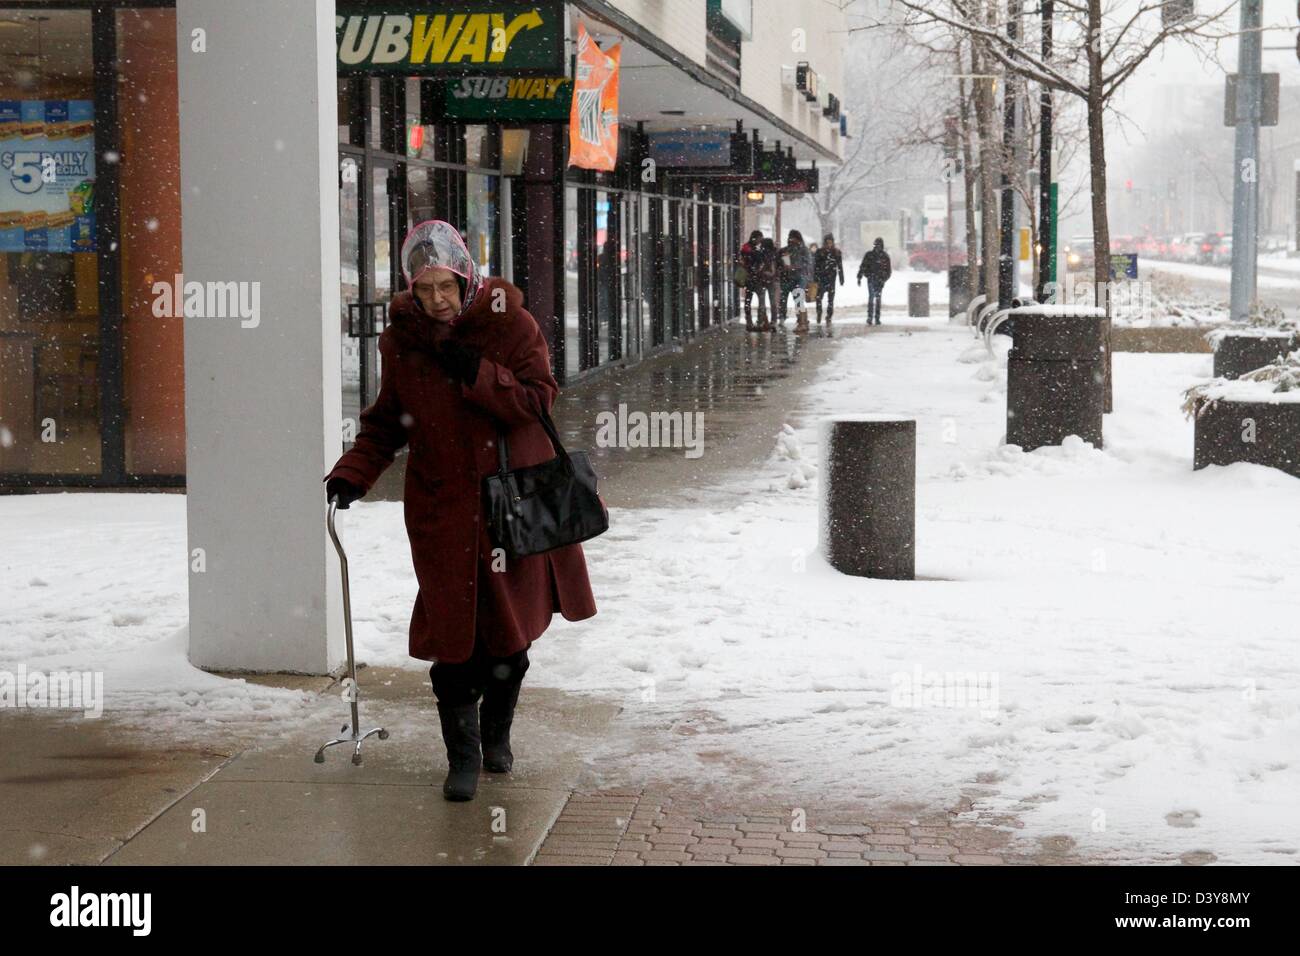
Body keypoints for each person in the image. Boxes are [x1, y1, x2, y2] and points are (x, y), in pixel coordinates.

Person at [323, 220, 597, 802]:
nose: (436, 300)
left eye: (445, 286)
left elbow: (537, 399)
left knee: (508, 637)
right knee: (454, 640)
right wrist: (354, 473)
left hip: (510, 506)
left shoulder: (510, 325)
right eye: (423, 290)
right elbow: (386, 421)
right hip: (441, 510)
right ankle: (463, 757)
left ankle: (498, 735)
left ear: (466, 276)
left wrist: (477, 371)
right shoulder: (404, 342)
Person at [779, 229, 813, 330]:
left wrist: (794, 267)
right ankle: (783, 316)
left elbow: (808, 264)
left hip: (800, 277)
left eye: (793, 238)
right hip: (786, 278)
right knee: (783, 299)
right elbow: (778, 262)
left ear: (798, 239)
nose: (791, 240)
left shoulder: (804, 250)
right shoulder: (785, 250)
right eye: (790, 238)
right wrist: (783, 265)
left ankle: (802, 321)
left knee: (798, 298)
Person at [738, 229, 770, 331]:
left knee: (759, 301)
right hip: (751, 278)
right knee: (751, 300)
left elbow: (762, 260)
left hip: (757, 278)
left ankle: (760, 321)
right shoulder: (747, 248)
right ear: (755, 238)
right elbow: (750, 259)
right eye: (759, 238)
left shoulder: (756, 248)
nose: (760, 241)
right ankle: (751, 322)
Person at [857, 236, 892, 326]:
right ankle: (872, 317)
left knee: (875, 298)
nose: (878, 247)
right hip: (872, 278)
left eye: (879, 245)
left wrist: (884, 278)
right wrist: (861, 276)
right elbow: (863, 266)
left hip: (878, 279)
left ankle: (875, 317)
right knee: (874, 297)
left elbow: (888, 270)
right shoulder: (871, 255)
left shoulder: (883, 256)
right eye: (877, 245)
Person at [813, 232, 845, 327]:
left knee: (830, 300)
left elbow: (840, 266)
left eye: (830, 242)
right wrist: (815, 277)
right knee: (819, 298)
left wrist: (841, 277)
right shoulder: (819, 252)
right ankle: (819, 313)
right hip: (821, 278)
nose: (829, 245)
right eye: (827, 243)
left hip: (831, 279)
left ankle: (829, 316)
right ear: (825, 243)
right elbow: (815, 266)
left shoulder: (836, 252)